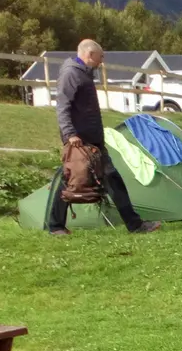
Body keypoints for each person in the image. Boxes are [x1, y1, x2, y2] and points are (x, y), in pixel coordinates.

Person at [50, 39, 158, 236]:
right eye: (100, 57)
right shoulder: (71, 74)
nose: (102, 61)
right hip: (80, 141)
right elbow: (62, 106)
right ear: (90, 55)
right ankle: (56, 226)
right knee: (72, 179)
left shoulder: (84, 74)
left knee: (107, 179)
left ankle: (134, 224)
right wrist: (70, 134)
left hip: (93, 140)